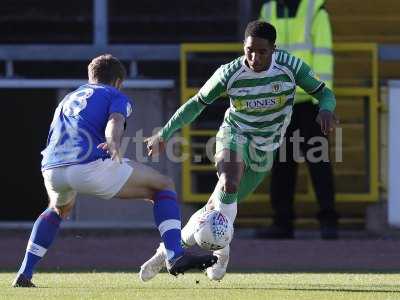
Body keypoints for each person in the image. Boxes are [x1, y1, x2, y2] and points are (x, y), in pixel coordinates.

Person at [140, 20, 337, 282]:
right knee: (229, 182)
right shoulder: (230, 72)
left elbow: (325, 93)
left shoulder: (291, 66)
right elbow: (196, 103)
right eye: (249, 50)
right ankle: (220, 256)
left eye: (262, 52)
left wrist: (325, 109)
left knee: (215, 208)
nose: (254, 58)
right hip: (235, 135)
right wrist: (163, 133)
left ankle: (165, 253)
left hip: (265, 149)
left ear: (274, 49)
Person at [12, 54, 217, 288]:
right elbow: (116, 120)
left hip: (52, 168)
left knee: (57, 209)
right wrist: (113, 142)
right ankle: (175, 254)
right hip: (88, 164)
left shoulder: (68, 97)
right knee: (163, 185)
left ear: (91, 77)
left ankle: (24, 273)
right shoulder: (114, 94)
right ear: (119, 81)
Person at [259, 0, 338, 239]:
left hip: (309, 104)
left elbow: (324, 57)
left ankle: (328, 221)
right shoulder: (268, 10)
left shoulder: (315, 10)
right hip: (279, 104)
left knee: (319, 164)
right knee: (282, 165)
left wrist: (324, 104)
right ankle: (282, 223)